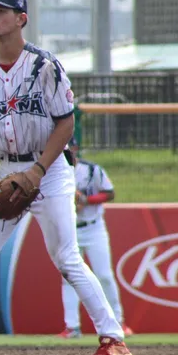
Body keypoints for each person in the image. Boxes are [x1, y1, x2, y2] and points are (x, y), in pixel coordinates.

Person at [0, 0, 133, 355]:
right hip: (7, 170)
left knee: (67, 258)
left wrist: (38, 171)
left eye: (1, 11)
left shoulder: (44, 66)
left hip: (50, 172)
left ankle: (114, 339)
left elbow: (66, 121)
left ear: (21, 18)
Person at [57, 137, 133, 339]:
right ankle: (72, 327)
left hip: (93, 228)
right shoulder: (53, 172)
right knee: (68, 278)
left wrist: (87, 200)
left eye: (69, 148)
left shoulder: (91, 170)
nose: (67, 152)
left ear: (75, 148)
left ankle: (119, 322)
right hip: (69, 229)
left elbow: (109, 193)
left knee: (104, 275)